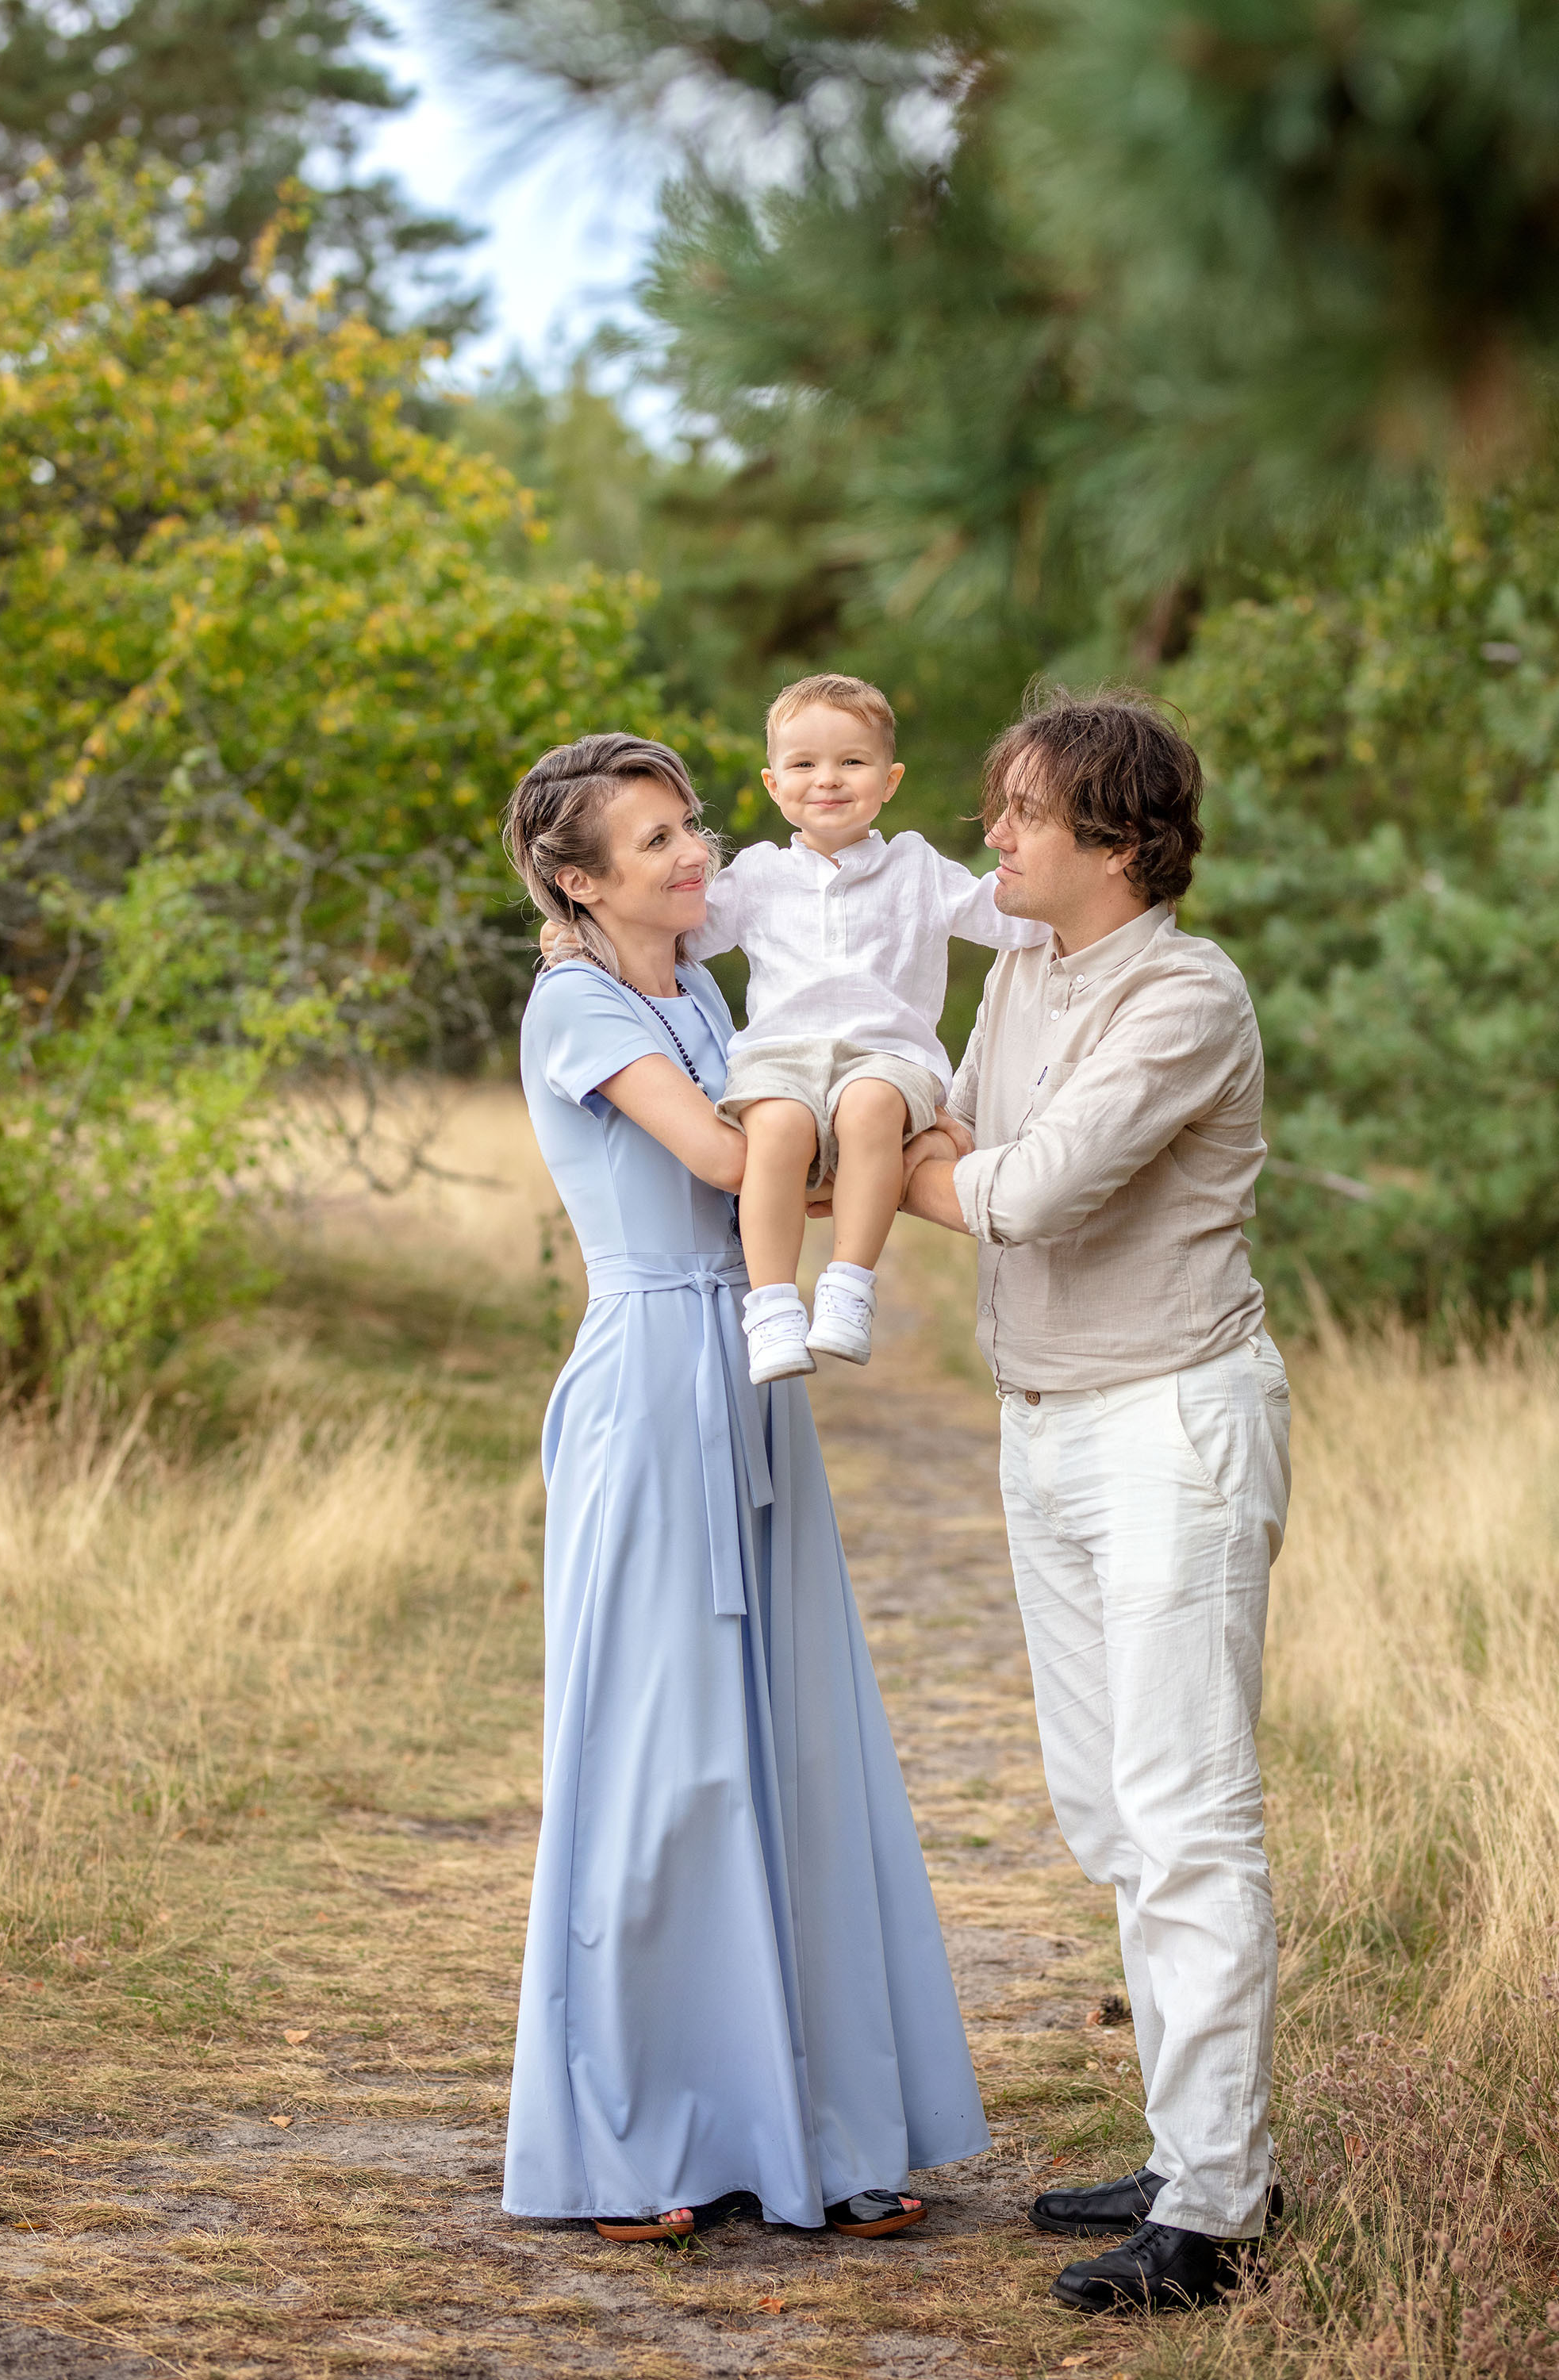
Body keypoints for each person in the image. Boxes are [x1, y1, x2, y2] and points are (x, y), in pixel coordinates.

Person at [500, 730, 989, 2244]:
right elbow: (726, 1162)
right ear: (578, 884)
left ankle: (817, 2129)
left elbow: (800, 1142)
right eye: (651, 843)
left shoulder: (703, 988)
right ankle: (641, 2140)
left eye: (691, 827)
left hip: (754, 1375)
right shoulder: (576, 1005)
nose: (693, 854)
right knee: (662, 1755)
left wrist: (889, 1123)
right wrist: (901, 1144)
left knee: (793, 1742)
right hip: (653, 1378)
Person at [901, 688, 1292, 2314]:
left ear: (1116, 838)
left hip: (1171, 1426)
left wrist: (934, 1174)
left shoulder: (1183, 995)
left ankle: (1213, 2216)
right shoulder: (1024, 970)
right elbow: (974, 1140)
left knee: (1188, 1814)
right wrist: (957, 1166)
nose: (990, 835)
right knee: (1110, 1812)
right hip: (1044, 1426)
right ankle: (1187, 2148)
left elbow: (1029, 1190)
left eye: (1019, 811)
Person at [687, 672, 1047, 1386]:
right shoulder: (756, 875)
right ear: (772, 783)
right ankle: (772, 1307)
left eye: (852, 762)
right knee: (779, 1127)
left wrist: (1098, 895)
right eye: (803, 764)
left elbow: (1006, 916)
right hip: (781, 1059)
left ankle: (848, 1286)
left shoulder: (916, 866)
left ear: (890, 780)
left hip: (888, 1056)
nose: (828, 780)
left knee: (870, 1105)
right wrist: (581, 935)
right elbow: (676, 936)